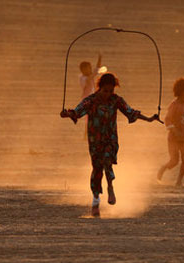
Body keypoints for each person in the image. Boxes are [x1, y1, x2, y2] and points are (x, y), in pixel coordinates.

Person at [61, 73, 159, 217]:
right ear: (99, 88)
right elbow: (77, 112)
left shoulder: (116, 100)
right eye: (105, 90)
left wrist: (149, 119)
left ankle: (110, 186)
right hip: (95, 141)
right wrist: (67, 114)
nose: (108, 94)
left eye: (111, 91)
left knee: (107, 160)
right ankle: (95, 201)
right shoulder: (91, 101)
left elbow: (130, 112)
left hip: (110, 139)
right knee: (97, 169)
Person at [157, 78, 184, 187]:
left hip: (183, 137)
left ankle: (179, 180)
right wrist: (174, 130)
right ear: (183, 91)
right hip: (174, 138)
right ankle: (163, 169)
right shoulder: (174, 105)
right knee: (174, 161)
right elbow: (167, 119)